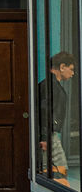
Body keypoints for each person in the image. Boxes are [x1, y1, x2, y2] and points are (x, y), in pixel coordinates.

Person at [38, 51, 76, 183]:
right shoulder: (52, 86)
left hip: (47, 134)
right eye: (71, 69)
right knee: (59, 168)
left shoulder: (49, 84)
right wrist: (44, 138)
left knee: (50, 169)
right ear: (62, 67)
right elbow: (44, 111)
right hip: (49, 135)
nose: (72, 74)